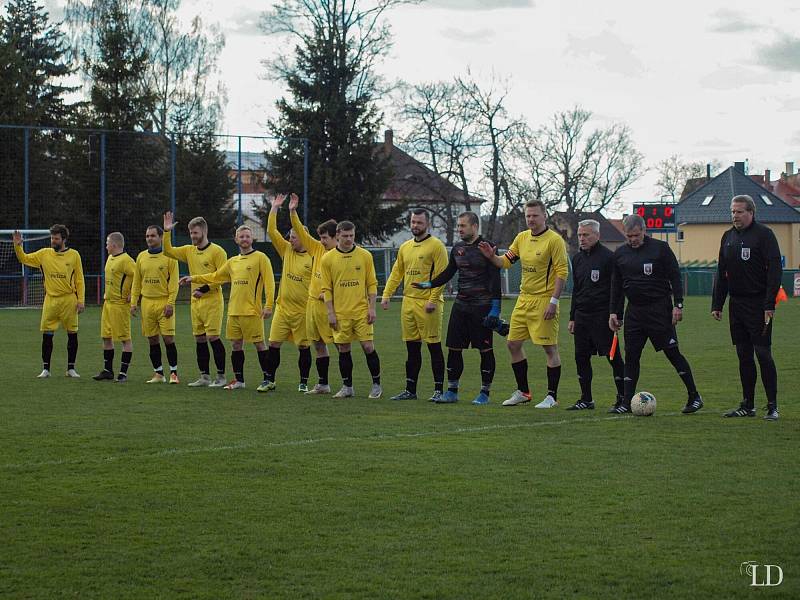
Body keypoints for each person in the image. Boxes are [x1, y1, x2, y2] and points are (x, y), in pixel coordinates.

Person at [608, 214, 703, 414]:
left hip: (659, 310)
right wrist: (614, 313)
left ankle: (694, 396)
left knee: (672, 353)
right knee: (631, 356)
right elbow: (616, 286)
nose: (632, 239)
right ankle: (626, 402)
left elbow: (675, 277)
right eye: (629, 236)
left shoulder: (660, 249)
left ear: (644, 231)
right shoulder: (620, 254)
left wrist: (678, 305)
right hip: (634, 311)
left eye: (636, 235)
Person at [478, 200, 569, 408]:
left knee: (549, 348)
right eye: (528, 216)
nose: (531, 219)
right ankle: (524, 392)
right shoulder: (521, 238)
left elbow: (562, 273)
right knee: (512, 344)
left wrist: (553, 301)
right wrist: (492, 257)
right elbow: (506, 261)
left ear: (544, 216)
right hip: (524, 299)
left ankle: (551, 396)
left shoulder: (554, 241)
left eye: (535, 215)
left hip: (545, 300)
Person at [413, 211, 500, 405]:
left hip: (482, 307)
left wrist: (496, 308)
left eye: (463, 226)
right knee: (453, 348)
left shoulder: (488, 248)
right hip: (461, 306)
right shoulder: (458, 248)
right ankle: (452, 391)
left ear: (474, 226)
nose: (459, 229)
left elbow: (495, 279)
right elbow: (448, 272)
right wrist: (429, 284)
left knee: (484, 350)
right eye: (458, 226)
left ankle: (485, 393)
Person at [712, 195, 782, 420]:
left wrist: (769, 304)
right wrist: (717, 304)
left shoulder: (765, 235)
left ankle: (772, 406)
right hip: (737, 304)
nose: (735, 216)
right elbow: (722, 273)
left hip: (759, 304)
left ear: (751, 212)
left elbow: (774, 272)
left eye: (740, 211)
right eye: (733, 212)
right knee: (743, 356)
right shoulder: (728, 237)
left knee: (763, 354)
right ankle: (748, 405)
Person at [179, 225, 275, 390]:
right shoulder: (232, 262)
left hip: (252, 311)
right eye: (241, 236)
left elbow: (270, 283)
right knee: (236, 345)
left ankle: (268, 380)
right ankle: (239, 381)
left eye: (247, 236)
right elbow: (215, 276)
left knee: (260, 344)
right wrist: (193, 278)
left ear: (251, 239)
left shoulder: (261, 258)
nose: (244, 239)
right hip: (233, 312)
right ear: (236, 240)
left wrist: (268, 305)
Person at [381, 209, 449, 401]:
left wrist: (432, 300)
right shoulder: (405, 247)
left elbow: (442, 276)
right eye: (413, 222)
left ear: (427, 224)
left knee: (433, 347)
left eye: (419, 222)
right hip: (408, 302)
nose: (415, 226)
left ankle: (438, 390)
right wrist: (386, 295)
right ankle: (410, 390)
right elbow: (396, 273)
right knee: (411, 348)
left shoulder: (436, 246)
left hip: (428, 303)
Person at [163, 212, 229, 387]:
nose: (193, 236)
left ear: (204, 232)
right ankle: (204, 377)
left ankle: (221, 377)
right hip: (195, 303)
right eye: (191, 233)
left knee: (213, 337)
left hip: (213, 301)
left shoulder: (217, 252)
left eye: (196, 233)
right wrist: (167, 231)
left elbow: (223, 277)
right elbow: (167, 251)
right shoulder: (189, 251)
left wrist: (204, 288)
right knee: (199, 339)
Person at [566, 219, 625, 410]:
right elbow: (577, 290)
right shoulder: (577, 259)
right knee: (580, 357)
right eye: (580, 235)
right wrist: (572, 317)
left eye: (586, 235)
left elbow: (617, 289)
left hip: (603, 316)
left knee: (613, 356)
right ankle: (586, 399)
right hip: (582, 316)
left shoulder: (609, 258)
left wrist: (615, 313)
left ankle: (623, 397)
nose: (582, 239)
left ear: (597, 236)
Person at [12, 224, 85, 378]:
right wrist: (18, 246)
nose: (53, 241)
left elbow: (79, 279)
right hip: (50, 300)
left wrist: (81, 300)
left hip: (68, 300)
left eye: (56, 238)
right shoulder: (44, 254)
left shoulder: (74, 255)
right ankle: (46, 369)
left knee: (72, 334)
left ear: (64, 239)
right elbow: (24, 258)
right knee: (47, 334)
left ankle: (71, 369)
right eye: (52, 238)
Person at [319, 221, 382, 399]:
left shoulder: (365, 255)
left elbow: (371, 284)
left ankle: (376, 385)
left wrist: (372, 308)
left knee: (368, 346)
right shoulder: (328, 259)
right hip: (340, 313)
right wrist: (330, 313)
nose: (348, 239)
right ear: (337, 235)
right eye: (345, 236)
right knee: (344, 349)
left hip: (361, 312)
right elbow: (327, 289)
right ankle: (348, 387)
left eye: (352, 236)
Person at [263, 193, 314, 392]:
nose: (290, 240)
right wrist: (275, 208)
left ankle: (303, 382)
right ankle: (269, 380)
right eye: (290, 237)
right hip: (282, 309)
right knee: (274, 344)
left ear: (303, 237)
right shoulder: (286, 250)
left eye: (294, 237)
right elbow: (271, 230)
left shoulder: (313, 256)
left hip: (303, 311)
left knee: (303, 347)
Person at [290, 200, 338, 394]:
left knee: (340, 344)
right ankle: (323, 384)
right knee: (318, 344)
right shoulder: (317, 249)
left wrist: (328, 295)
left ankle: (348, 384)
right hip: (312, 306)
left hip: (331, 307)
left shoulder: (340, 254)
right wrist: (293, 211)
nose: (322, 241)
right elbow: (300, 232)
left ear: (335, 237)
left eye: (325, 237)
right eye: (320, 237)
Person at [130, 225, 180, 384]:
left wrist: (170, 303)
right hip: (147, 303)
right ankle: (159, 374)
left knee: (168, 338)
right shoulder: (141, 257)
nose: (149, 239)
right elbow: (136, 282)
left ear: (160, 238)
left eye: (152, 236)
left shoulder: (170, 257)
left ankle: (174, 373)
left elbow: (174, 283)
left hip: (163, 301)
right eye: (147, 236)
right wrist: (133, 302)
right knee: (152, 339)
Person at [93, 232, 136, 382]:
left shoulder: (127, 260)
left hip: (120, 305)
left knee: (125, 339)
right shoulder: (110, 258)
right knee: (106, 337)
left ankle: (123, 373)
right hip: (108, 304)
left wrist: (134, 293)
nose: (106, 246)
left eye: (107, 243)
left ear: (114, 245)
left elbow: (139, 276)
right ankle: (108, 370)